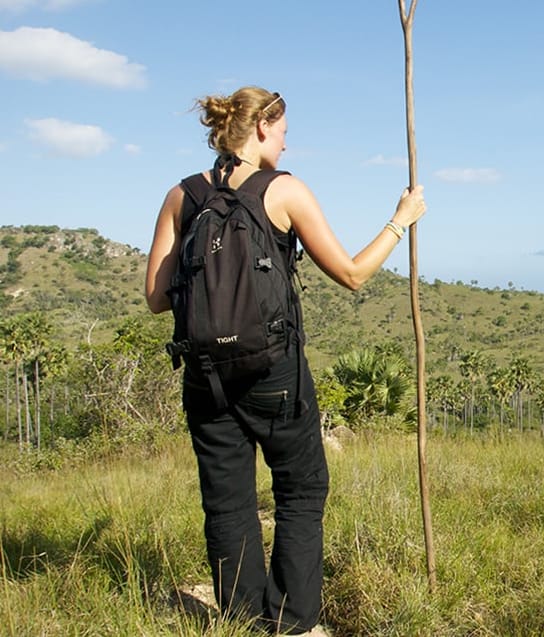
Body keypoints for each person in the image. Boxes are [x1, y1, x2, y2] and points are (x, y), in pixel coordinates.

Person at [144, 86, 426, 635]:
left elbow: (156, 298)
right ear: (262, 128)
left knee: (227, 502)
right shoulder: (283, 192)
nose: (287, 145)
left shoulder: (181, 196)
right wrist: (401, 219)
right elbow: (350, 274)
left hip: (205, 377)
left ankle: (244, 621)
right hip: (274, 374)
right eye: (285, 133)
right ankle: (294, 622)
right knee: (300, 489)